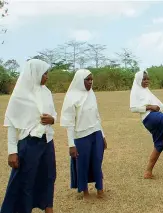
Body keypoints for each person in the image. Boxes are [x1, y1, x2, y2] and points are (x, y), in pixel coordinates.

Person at [1, 59, 57, 213]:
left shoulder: (47, 92)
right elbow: (12, 122)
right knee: (26, 181)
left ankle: (48, 209)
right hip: (29, 144)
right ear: (35, 73)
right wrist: (12, 151)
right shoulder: (20, 95)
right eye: (44, 73)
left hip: (47, 142)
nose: (47, 77)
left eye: (47, 73)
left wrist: (52, 120)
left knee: (48, 177)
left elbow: (54, 114)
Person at [60, 69, 107, 199]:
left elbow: (96, 116)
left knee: (97, 161)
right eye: (88, 79)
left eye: (92, 79)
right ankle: (85, 190)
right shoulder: (71, 97)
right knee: (83, 164)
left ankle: (100, 188)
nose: (90, 82)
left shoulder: (91, 93)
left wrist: (103, 135)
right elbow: (69, 123)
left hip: (96, 133)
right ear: (81, 80)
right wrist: (71, 144)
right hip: (80, 136)